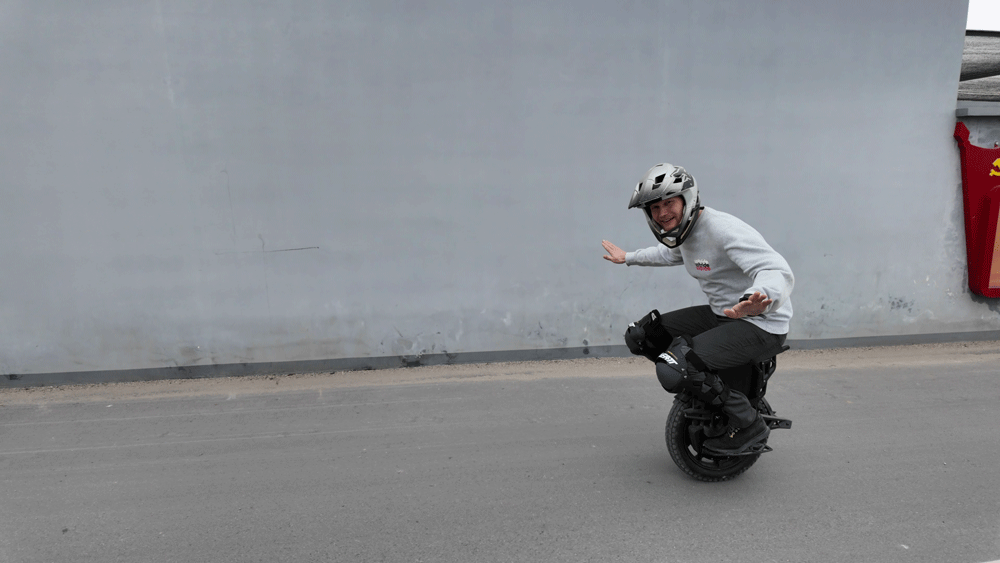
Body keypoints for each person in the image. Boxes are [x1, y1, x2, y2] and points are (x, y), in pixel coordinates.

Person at [601, 163, 794, 455]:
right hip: (722, 315)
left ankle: (747, 423)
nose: (662, 213)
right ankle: (706, 390)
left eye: (669, 203)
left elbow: (775, 269)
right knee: (643, 335)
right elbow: (669, 254)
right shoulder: (686, 232)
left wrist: (760, 295)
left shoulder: (723, 230)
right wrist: (628, 257)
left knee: (677, 364)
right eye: (654, 208)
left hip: (761, 324)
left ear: (687, 200)